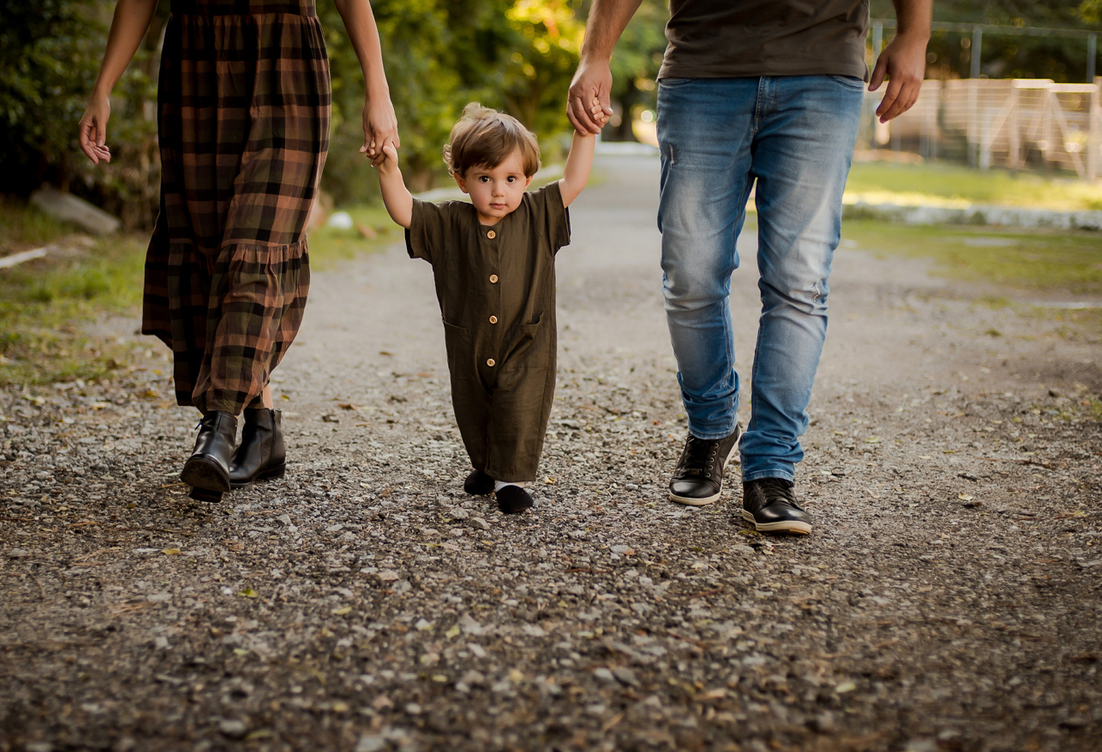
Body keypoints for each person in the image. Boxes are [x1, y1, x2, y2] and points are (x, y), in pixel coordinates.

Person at [567, 0, 930, 534]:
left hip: (822, 68)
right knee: (689, 272)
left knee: (799, 282)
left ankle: (771, 469)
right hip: (703, 68)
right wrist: (595, 53)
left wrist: (915, 34)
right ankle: (712, 426)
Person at [78, 0, 398, 503]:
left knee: (259, 244)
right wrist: (103, 87)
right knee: (211, 248)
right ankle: (263, 427)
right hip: (195, 63)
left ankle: (219, 428)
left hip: (286, 61)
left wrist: (377, 90)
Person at [371, 103, 603, 513]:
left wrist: (586, 131)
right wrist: (388, 168)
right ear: (461, 180)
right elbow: (404, 209)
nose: (499, 190)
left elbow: (575, 180)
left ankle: (509, 479)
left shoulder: (538, 214)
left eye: (511, 178)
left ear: (527, 179)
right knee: (473, 406)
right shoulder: (448, 223)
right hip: (470, 339)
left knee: (519, 404)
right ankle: (486, 465)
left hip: (526, 338)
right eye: (485, 178)